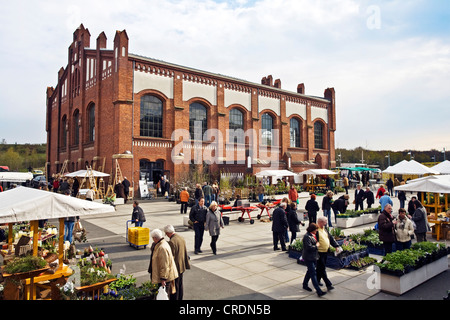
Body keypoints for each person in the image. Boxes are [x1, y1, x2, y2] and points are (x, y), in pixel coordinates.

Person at [148, 229, 179, 296]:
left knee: (164, 295)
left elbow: (164, 265)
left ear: (155, 238)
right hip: (165, 276)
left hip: (165, 278)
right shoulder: (161, 244)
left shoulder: (162, 248)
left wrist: (163, 279)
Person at [164, 225, 190, 300]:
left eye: (166, 233)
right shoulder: (181, 238)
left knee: (175, 285)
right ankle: (180, 297)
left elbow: (171, 257)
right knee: (180, 284)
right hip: (182, 265)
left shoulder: (172, 242)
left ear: (168, 233)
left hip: (176, 267)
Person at [302, 223, 326, 297]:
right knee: (313, 274)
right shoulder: (307, 237)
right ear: (312, 230)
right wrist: (316, 246)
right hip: (309, 257)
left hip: (313, 257)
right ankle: (318, 291)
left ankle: (305, 284)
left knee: (310, 271)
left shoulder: (313, 235)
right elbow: (308, 247)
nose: (316, 231)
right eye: (316, 230)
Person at [316, 216, 341, 290]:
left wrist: (336, 246)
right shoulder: (316, 230)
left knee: (319, 268)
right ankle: (328, 284)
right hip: (319, 253)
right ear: (320, 222)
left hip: (325, 252)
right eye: (325, 222)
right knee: (322, 268)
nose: (326, 223)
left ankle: (316, 280)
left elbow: (330, 238)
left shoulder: (325, 229)